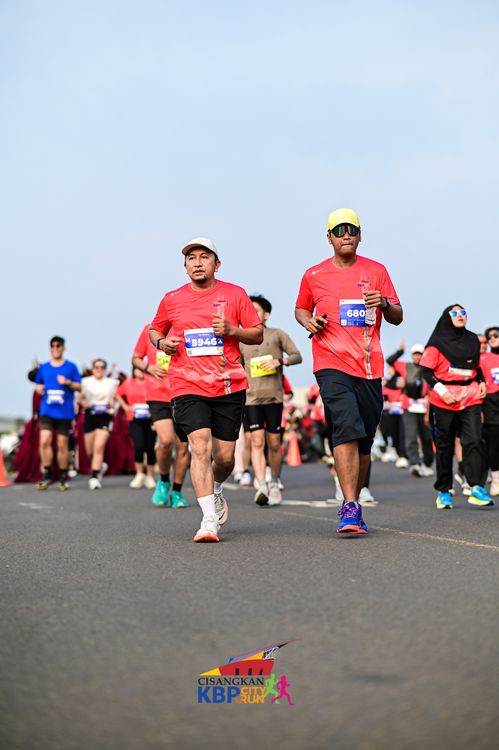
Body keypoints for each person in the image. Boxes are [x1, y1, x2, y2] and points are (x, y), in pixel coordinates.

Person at [295, 208, 402, 535]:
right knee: (345, 427)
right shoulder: (314, 275)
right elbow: (301, 308)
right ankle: (350, 505)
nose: (345, 235)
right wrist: (308, 321)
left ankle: (355, 495)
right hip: (330, 362)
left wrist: (384, 303)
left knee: (365, 439)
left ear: (360, 235)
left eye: (351, 230)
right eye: (339, 230)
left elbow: (397, 315)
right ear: (328, 237)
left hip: (368, 366)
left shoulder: (376, 271)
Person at [149, 237, 263, 542]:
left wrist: (232, 330)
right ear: (185, 266)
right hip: (187, 384)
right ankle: (208, 520)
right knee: (199, 447)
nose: (197, 263)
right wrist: (162, 342)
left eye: (204, 257)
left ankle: (216, 489)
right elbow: (155, 329)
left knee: (224, 458)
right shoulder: (172, 298)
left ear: (217, 264)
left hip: (228, 385)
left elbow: (257, 334)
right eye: (192, 258)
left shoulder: (235, 294)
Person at [419, 305, 493, 509]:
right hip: (445, 398)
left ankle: (476, 487)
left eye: (463, 313)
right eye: (455, 313)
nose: (460, 316)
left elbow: (475, 367)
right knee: (445, 446)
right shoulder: (436, 344)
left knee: (474, 440)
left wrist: (482, 381)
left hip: (470, 396)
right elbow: (426, 372)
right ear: (446, 317)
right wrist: (443, 391)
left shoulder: (472, 340)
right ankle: (444, 490)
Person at [239, 294, 302, 506]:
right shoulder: (241, 339)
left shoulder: (277, 334)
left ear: (266, 315)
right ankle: (261, 485)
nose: (251, 314)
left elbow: (297, 356)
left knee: (274, 443)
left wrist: (279, 361)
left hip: (274, 397)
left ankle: (274, 482)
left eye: (255, 310)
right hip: (251, 399)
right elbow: (234, 364)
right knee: (256, 441)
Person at [132, 323, 190, 508]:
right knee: (165, 441)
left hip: (184, 392)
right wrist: (148, 368)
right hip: (158, 394)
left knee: (183, 447)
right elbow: (135, 358)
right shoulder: (150, 329)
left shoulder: (187, 326)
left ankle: (177, 492)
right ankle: (164, 480)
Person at [34, 336, 81, 490]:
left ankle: (62, 474)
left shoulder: (71, 367)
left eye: (58, 346)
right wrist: (39, 388)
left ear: (63, 348)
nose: (55, 348)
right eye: (53, 346)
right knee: (44, 440)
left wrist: (67, 382)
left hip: (64, 411)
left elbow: (80, 387)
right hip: (47, 410)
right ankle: (47, 473)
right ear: (50, 348)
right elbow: (38, 385)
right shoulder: (44, 367)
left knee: (62, 444)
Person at [386, 342, 434, 476]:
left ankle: (427, 463)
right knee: (411, 435)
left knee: (426, 437)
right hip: (409, 406)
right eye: (415, 354)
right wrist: (400, 351)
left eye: (420, 354)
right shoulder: (405, 366)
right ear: (412, 356)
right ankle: (415, 463)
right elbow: (389, 360)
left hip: (424, 406)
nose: (417, 357)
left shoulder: (428, 369)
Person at [80, 359, 119, 490]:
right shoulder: (85, 382)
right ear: (92, 368)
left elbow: (118, 397)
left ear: (105, 369)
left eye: (102, 367)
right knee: (89, 451)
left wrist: (114, 403)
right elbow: (80, 397)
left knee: (99, 446)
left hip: (105, 415)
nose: (99, 369)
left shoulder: (112, 383)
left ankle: (94, 477)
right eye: (96, 367)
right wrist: (81, 402)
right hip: (90, 415)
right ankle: (99, 466)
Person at [116, 368, 157, 488]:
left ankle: (150, 476)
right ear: (133, 370)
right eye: (137, 369)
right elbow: (118, 394)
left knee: (150, 447)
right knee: (139, 446)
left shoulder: (151, 381)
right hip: (135, 418)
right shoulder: (128, 382)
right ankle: (139, 474)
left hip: (150, 418)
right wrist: (126, 407)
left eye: (142, 369)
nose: (140, 372)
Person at [481, 326, 499, 496]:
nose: (492, 338)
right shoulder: (484, 358)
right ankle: (496, 480)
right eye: (489, 336)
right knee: (493, 442)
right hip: (491, 402)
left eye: (496, 335)